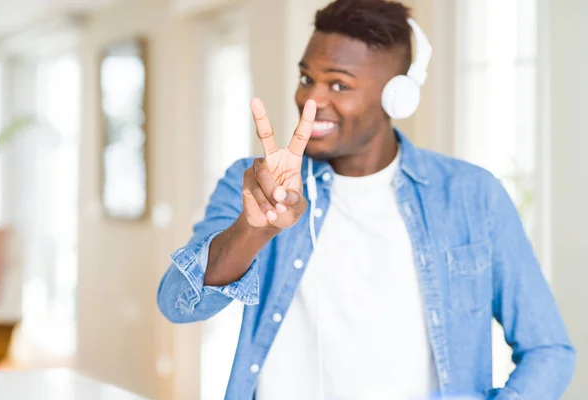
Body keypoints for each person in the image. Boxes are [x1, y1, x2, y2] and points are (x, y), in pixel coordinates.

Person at [157, 0, 575, 399]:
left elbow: (548, 350)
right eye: (306, 78)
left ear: (397, 97)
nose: (311, 100)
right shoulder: (254, 183)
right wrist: (253, 230)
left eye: (339, 84)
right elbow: (176, 303)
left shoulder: (473, 197)